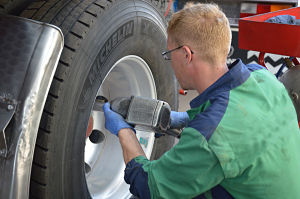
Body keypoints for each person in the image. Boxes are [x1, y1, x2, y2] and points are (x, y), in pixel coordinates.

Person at [103, 2, 300, 199]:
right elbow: (236, 120)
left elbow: (149, 187)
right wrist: (182, 119)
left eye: (169, 54)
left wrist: (124, 132)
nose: (170, 62)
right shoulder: (263, 77)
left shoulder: (210, 137)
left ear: (186, 55)